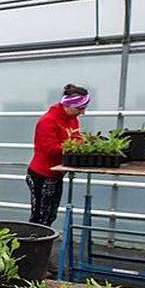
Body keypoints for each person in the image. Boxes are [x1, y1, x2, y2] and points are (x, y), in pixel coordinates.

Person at [26, 83, 90, 226]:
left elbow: (76, 138)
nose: (83, 112)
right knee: (40, 217)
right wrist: (75, 146)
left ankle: (42, 245)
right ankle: (32, 244)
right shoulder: (47, 121)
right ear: (69, 105)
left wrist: (85, 143)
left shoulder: (72, 119)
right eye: (80, 108)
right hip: (41, 175)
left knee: (50, 215)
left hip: (56, 174)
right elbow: (51, 149)